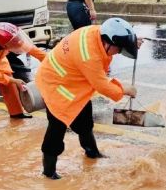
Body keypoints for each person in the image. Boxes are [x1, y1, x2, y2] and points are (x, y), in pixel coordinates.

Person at [34, 17, 140, 179]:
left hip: (74, 81)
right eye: (119, 49)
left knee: (84, 121)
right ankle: (48, 174)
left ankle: (92, 153)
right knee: (56, 130)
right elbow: (103, 86)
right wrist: (126, 90)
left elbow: (103, 64)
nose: (118, 53)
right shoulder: (89, 56)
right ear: (108, 42)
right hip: (56, 86)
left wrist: (130, 43)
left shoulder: (99, 32)